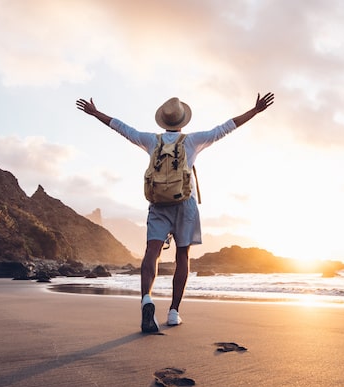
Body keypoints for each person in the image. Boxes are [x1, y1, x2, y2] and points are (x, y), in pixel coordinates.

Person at [76, 92, 274, 333]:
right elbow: (225, 128)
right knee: (182, 256)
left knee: (152, 252)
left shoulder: (151, 140)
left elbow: (122, 128)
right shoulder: (192, 141)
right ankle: (173, 312)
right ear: (182, 122)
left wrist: (96, 113)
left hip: (158, 204)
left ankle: (147, 300)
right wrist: (254, 111)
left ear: (164, 121)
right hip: (185, 204)